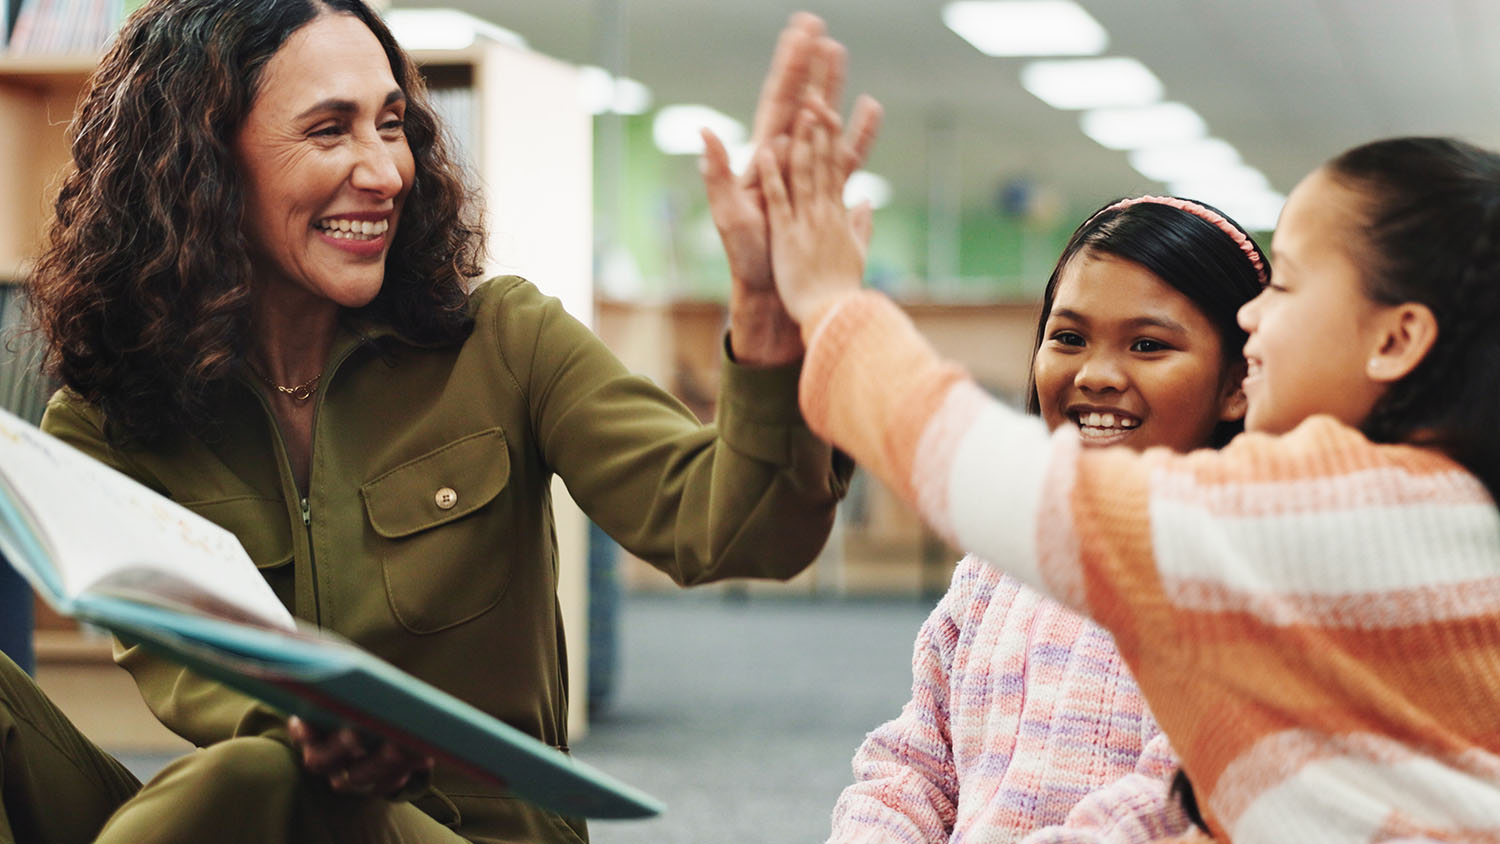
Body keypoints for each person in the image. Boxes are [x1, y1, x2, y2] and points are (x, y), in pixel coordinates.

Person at [3, 4, 878, 844]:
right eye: (329, 129)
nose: (386, 171)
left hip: (469, 831)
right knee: (258, 774)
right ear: (202, 163)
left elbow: (744, 530)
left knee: (255, 779)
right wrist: (307, 732)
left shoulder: (504, 339)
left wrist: (765, 327)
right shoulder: (105, 423)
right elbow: (197, 683)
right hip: (265, 811)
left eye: (391, 124)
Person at [760, 102, 1500, 841]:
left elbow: (985, 470)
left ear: (1397, 337)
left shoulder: (1342, 514)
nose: (1251, 320)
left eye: (1287, 286)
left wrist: (831, 309)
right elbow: (918, 760)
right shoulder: (1434, 505)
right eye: (1070, 335)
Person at [827, 195, 1266, 843]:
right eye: (1068, 338)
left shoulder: (1245, 575)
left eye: (1147, 345)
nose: (1095, 374)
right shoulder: (997, 564)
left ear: (1237, 383)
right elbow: (918, 760)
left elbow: (1173, 804)